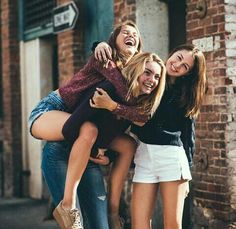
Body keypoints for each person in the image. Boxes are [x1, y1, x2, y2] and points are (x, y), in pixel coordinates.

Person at [29, 22, 166, 229]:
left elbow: (139, 116)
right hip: (53, 109)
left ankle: (113, 211)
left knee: (128, 144)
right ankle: (68, 205)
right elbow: (125, 96)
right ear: (114, 40)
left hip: (81, 131)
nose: (131, 35)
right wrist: (99, 45)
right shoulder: (106, 59)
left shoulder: (130, 83)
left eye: (135, 35)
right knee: (89, 129)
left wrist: (107, 151)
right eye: (125, 33)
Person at [93, 43, 207, 229]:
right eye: (178, 58)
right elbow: (127, 123)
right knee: (139, 224)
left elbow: (188, 136)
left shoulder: (185, 95)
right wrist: (100, 45)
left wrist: (187, 174)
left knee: (172, 224)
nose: (177, 65)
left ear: (188, 73)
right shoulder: (150, 77)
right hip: (144, 156)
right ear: (172, 53)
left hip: (171, 158)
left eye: (185, 66)